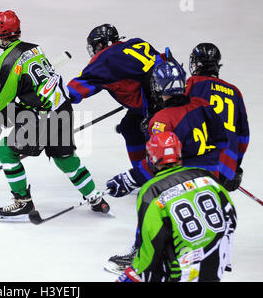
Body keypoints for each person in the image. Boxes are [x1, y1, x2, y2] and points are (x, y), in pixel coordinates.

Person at [0, 10, 111, 222]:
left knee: (5, 151)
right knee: (65, 158)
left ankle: (22, 202)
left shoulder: (4, 64)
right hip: (62, 108)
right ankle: (95, 198)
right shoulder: (34, 49)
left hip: (42, 118)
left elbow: (3, 102)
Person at [104, 60, 229, 273]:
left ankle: (140, 254)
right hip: (210, 176)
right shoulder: (202, 104)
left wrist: (127, 179)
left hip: (182, 179)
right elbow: (223, 141)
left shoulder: (161, 120)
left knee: (149, 200)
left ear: (157, 86)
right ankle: (213, 251)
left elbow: (159, 162)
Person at [114, 131, 237, 282]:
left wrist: (134, 272)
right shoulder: (205, 175)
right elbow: (230, 216)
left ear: (151, 158)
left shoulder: (151, 191)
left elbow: (152, 243)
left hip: (183, 269)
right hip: (216, 259)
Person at [67, 24, 168, 168]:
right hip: (168, 96)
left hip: (155, 108)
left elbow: (80, 86)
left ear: (101, 44)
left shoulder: (104, 58)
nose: (94, 51)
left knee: (152, 133)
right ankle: (141, 170)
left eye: (94, 47)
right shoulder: (137, 42)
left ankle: (153, 174)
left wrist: (60, 95)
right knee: (129, 126)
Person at [185, 43, 250, 192]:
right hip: (225, 166)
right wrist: (234, 167)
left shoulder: (193, 83)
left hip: (198, 158)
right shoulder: (234, 92)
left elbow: (177, 115)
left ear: (197, 64)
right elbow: (243, 137)